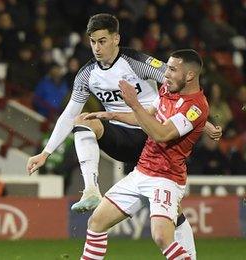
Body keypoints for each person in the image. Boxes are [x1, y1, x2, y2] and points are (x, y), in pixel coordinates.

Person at [25, 14, 214, 257]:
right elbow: (68, 114)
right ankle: (91, 188)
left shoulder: (137, 62)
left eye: (102, 41)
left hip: (153, 140)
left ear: (116, 39)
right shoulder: (87, 74)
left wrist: (201, 119)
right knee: (84, 121)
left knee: (165, 229)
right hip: (133, 147)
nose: (97, 47)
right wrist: (46, 152)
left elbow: (178, 90)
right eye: (92, 42)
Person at [79, 49, 208, 260]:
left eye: (173, 70)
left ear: (190, 75)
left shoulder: (195, 107)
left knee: (161, 237)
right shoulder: (168, 90)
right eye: (166, 68)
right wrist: (112, 115)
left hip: (165, 178)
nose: (165, 74)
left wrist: (134, 102)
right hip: (141, 171)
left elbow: (161, 134)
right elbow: (147, 115)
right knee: (96, 222)